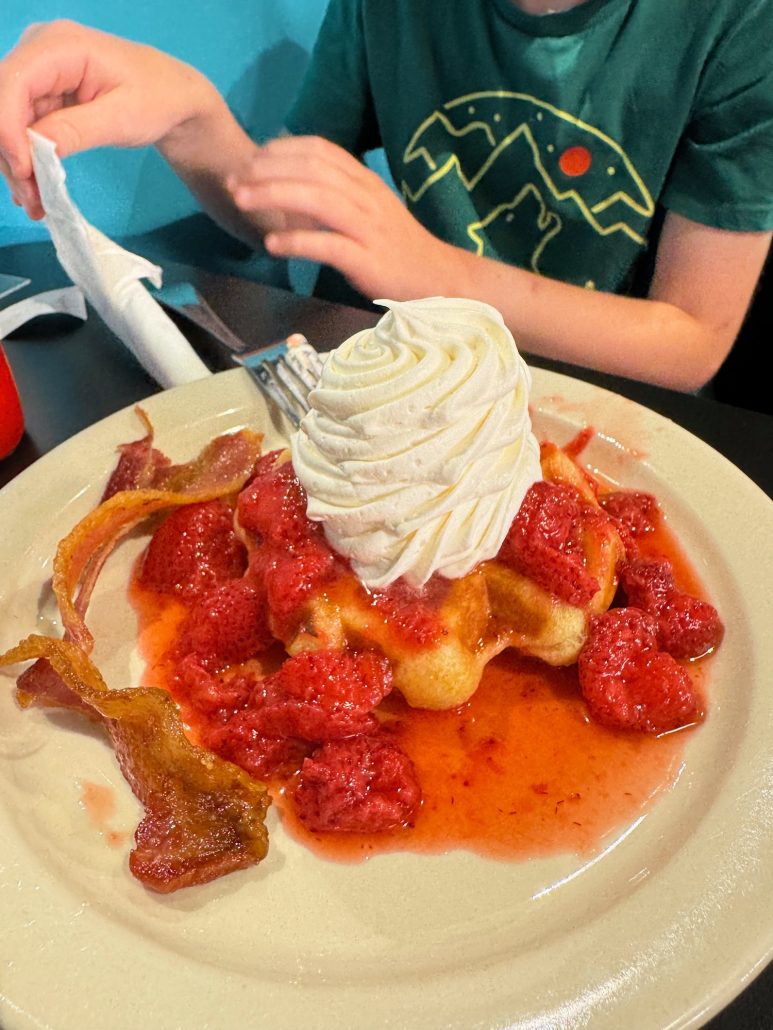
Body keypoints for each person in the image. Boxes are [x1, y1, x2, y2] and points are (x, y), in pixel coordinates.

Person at [0, 4, 771, 392]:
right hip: (369, 375)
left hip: (568, 395)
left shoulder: (738, 26)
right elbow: (294, 214)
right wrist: (194, 120)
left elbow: (691, 343)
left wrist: (430, 270)